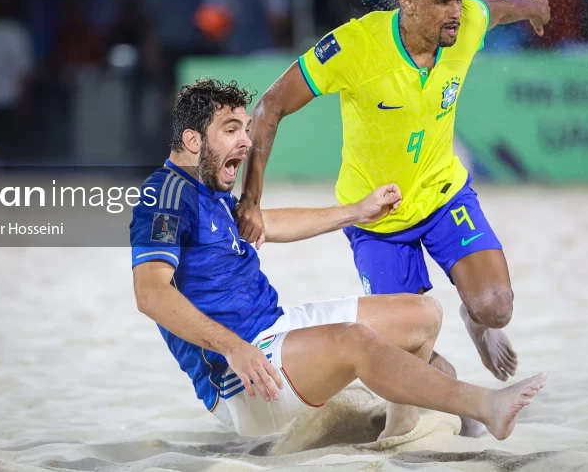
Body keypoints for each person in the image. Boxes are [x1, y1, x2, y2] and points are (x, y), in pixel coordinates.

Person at [235, 0, 551, 438]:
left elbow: (498, 6)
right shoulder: (355, 46)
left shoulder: (466, 23)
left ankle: (476, 322)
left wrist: (534, 9)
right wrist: (251, 198)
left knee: (496, 307)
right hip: (376, 217)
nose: (456, 11)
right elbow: (270, 106)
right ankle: (453, 397)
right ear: (408, 3)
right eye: (442, 1)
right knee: (408, 344)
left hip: (444, 194)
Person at [129, 78, 546, 439]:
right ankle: (486, 406)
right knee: (356, 341)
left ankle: (401, 429)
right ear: (192, 140)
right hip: (239, 377)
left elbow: (269, 224)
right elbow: (150, 294)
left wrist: (357, 211)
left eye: (245, 128)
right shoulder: (164, 196)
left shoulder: (208, 190)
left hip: (273, 329)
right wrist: (235, 348)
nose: (246, 141)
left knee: (422, 315)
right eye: (231, 129)